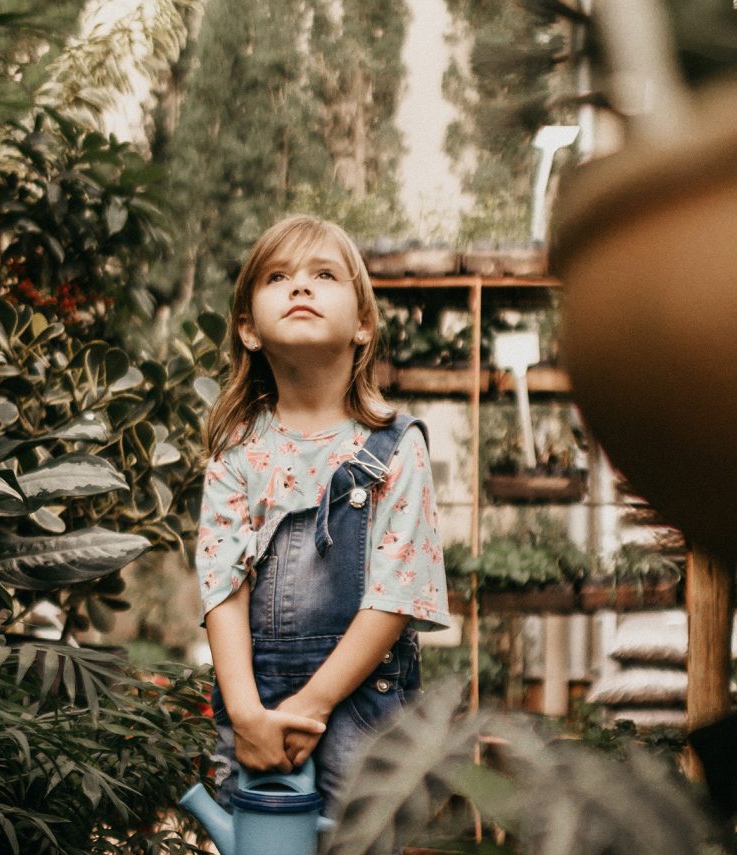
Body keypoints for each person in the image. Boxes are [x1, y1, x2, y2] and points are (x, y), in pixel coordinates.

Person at [195, 215, 451, 814]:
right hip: (251, 710)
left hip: (362, 708)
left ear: (363, 324)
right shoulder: (236, 452)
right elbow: (222, 589)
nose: (300, 287)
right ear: (248, 328)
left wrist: (311, 705)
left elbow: (396, 595)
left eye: (324, 275)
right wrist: (246, 715)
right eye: (278, 276)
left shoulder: (395, 446)